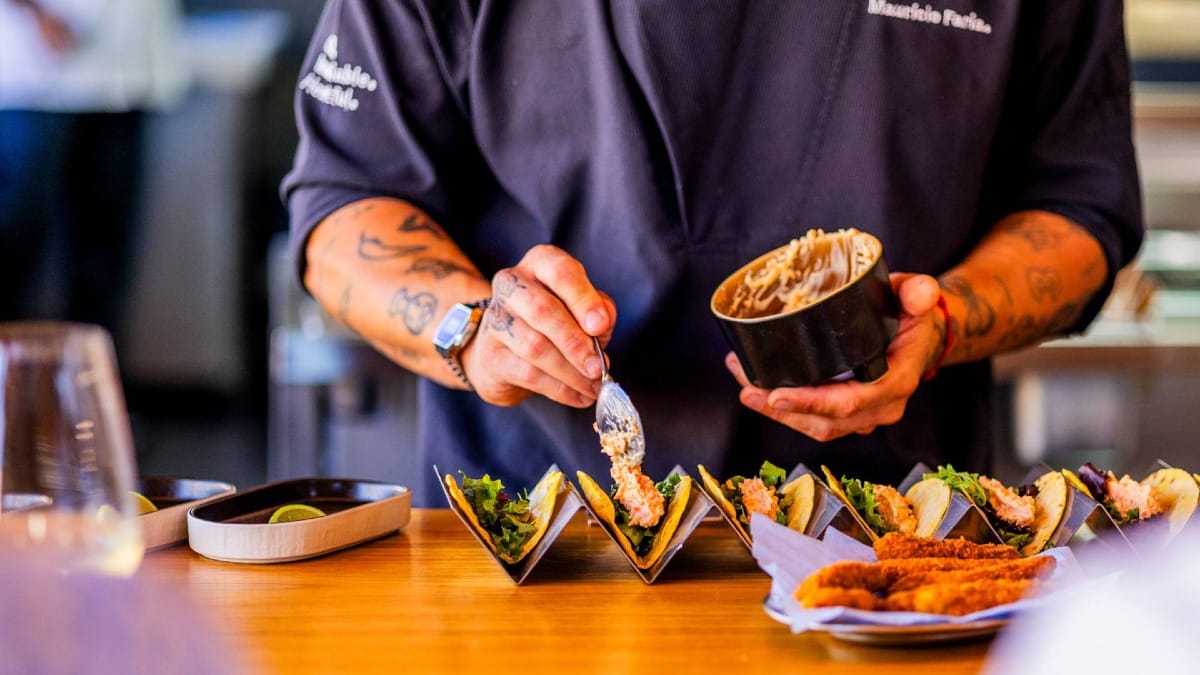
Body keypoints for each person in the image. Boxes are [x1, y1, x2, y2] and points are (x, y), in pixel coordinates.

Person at [283, 1, 1143, 506]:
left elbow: (1077, 205)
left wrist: (944, 322)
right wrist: (474, 331)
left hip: (893, 540)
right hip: (540, 528)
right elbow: (342, 208)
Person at [0, 0, 186, 339]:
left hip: (126, 74)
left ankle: (90, 387)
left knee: (102, 263)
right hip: (36, 74)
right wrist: (36, 13)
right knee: (14, 254)